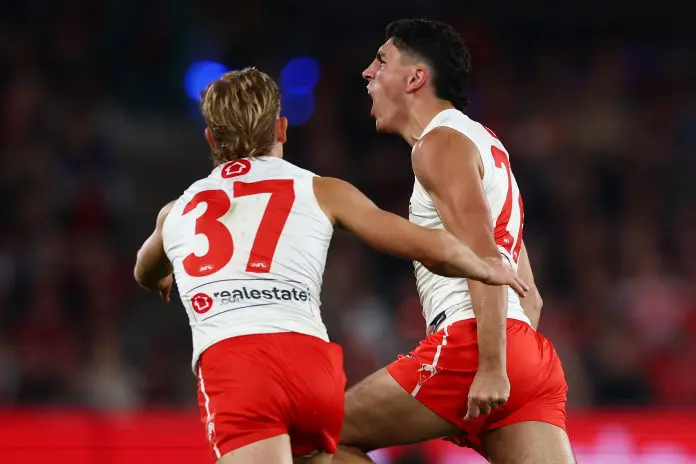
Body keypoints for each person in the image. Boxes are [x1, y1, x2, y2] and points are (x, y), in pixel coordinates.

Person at [133, 67, 528, 464]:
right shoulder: (321, 188)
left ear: (210, 139)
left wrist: (162, 275)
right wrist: (484, 265)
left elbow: (142, 269)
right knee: (324, 455)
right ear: (282, 129)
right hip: (311, 366)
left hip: (237, 364)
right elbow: (421, 242)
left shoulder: (177, 211)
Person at [333, 19, 574, 464]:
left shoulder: (438, 145)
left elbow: (482, 257)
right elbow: (531, 296)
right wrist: (509, 361)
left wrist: (490, 365)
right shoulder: (486, 146)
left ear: (416, 78)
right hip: (525, 350)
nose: (368, 72)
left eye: (381, 60)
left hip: (472, 345)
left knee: (320, 439)